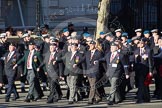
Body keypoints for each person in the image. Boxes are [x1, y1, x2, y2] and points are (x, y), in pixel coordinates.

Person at [133, 39, 153, 103]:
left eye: (142, 43)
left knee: (142, 84)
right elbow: (134, 62)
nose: (140, 44)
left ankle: (140, 98)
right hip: (138, 71)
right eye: (139, 43)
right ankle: (147, 98)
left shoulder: (148, 51)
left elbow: (150, 62)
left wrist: (150, 71)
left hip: (145, 70)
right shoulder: (136, 51)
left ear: (144, 43)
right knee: (143, 85)